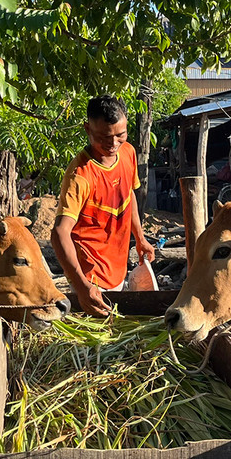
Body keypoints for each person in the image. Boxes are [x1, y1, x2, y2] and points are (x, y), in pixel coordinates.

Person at [51, 95, 155, 316]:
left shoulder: (128, 153)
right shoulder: (80, 175)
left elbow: (128, 196)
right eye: (104, 138)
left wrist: (140, 238)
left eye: (120, 135)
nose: (113, 144)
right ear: (87, 129)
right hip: (91, 275)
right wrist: (81, 287)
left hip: (118, 264)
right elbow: (59, 233)